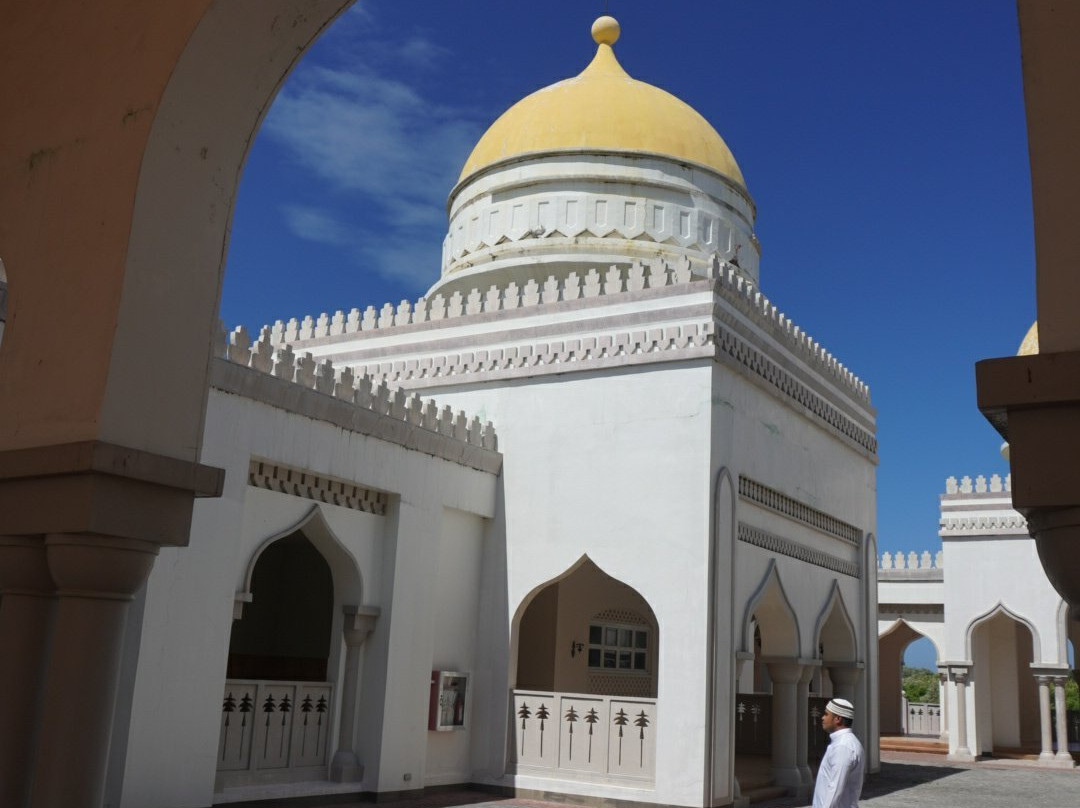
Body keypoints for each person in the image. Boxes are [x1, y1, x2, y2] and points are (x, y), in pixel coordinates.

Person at [812, 697, 864, 808]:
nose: (822, 718)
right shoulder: (844, 742)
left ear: (838, 719)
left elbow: (835, 787)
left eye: (826, 714)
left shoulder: (843, 746)